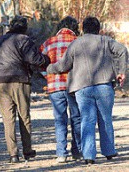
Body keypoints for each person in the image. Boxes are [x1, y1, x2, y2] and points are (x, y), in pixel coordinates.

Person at [47, 16, 128, 164]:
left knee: (87, 120)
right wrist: (122, 71)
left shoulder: (75, 44)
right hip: (104, 86)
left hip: (82, 88)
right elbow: (122, 50)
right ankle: (109, 151)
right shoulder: (105, 40)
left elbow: (63, 65)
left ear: (83, 29)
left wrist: (49, 68)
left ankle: (89, 156)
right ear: (99, 29)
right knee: (105, 119)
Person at [0, 15, 50, 163]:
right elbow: (35, 60)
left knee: (8, 119)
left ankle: (13, 154)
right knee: (24, 117)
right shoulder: (25, 40)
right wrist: (47, 60)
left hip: (2, 82)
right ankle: (27, 150)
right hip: (21, 81)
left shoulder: (0, 40)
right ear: (25, 28)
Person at [40, 16, 81, 163]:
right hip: (74, 85)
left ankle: (61, 153)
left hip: (55, 86)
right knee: (76, 118)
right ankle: (77, 151)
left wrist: (47, 75)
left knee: (60, 120)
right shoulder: (77, 42)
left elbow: (39, 62)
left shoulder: (48, 42)